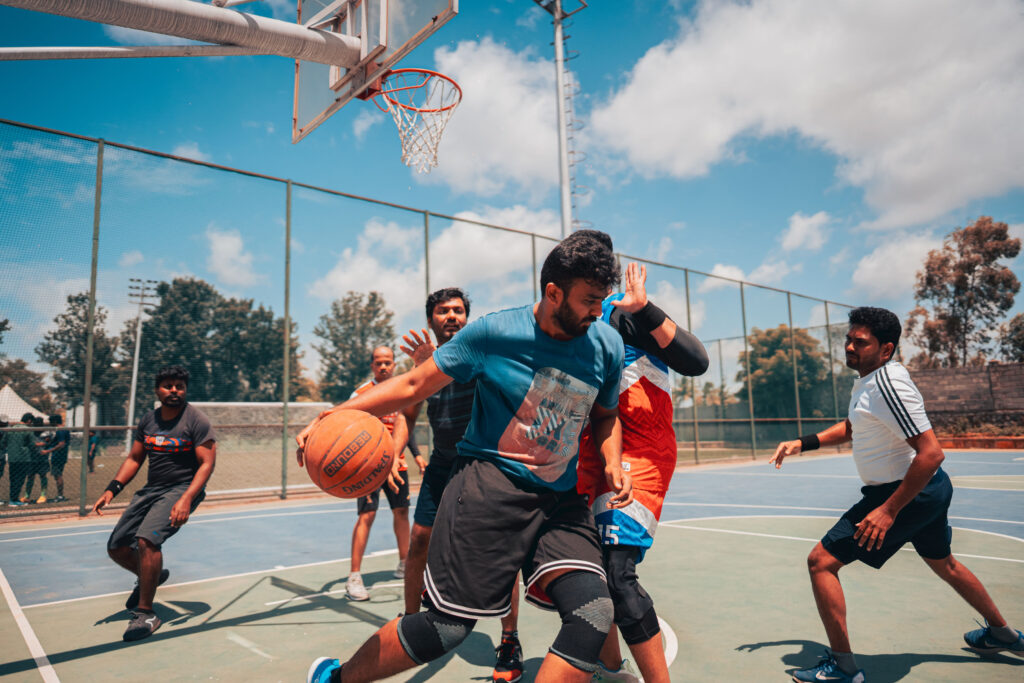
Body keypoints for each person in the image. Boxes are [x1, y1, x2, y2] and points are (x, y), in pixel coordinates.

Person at [298, 231, 633, 683]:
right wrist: (332, 415)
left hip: (559, 499)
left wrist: (611, 459)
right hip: (489, 488)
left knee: (593, 611)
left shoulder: (606, 345)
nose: (598, 310)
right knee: (446, 629)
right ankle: (335, 680)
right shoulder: (495, 333)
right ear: (554, 292)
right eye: (590, 300)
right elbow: (413, 384)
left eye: (602, 300)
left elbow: (606, 416)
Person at [770, 307, 1023, 683]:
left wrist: (888, 510)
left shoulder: (888, 386)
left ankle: (844, 669)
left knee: (821, 562)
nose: (849, 347)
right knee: (945, 564)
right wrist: (803, 443)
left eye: (860, 342)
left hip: (905, 492)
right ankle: (1003, 634)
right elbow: (854, 426)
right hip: (926, 489)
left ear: (886, 349)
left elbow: (931, 453)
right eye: (848, 339)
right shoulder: (869, 381)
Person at [576, 258, 709, 683]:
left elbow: (696, 360)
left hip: (641, 453)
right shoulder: (568, 321)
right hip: (591, 453)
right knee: (591, 572)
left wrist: (645, 309)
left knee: (618, 574)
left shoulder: (623, 313)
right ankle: (610, 669)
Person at [399, 287, 525, 683]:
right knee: (419, 540)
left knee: (500, 552)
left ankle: (509, 639)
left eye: (458, 310)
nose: (451, 316)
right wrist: (392, 453)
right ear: (431, 320)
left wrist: (434, 362)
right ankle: (409, 625)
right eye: (443, 311)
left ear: (467, 318)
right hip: (442, 463)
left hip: (482, 462)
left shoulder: (480, 352)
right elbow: (406, 414)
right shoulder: (424, 364)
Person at [90, 365, 216, 642]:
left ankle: (146, 613)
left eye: (180, 386)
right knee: (117, 547)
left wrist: (186, 498)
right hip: (152, 490)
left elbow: (207, 464)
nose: (174, 390)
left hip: (182, 489)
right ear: (158, 390)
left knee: (147, 540)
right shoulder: (149, 420)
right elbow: (135, 458)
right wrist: (112, 489)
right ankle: (151, 575)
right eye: (168, 386)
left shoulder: (196, 420)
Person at [345, 346, 412, 602]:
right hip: (368, 467)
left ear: (394, 364)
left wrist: (407, 455)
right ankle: (354, 577)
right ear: (372, 366)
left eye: (387, 362)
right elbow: (349, 427)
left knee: (402, 512)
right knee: (367, 515)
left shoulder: (403, 389)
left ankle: (405, 563)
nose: (383, 366)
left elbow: (404, 425)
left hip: (396, 464)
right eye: (378, 363)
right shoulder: (360, 394)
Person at [6, 413, 38, 507]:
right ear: (29, 420)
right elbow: (32, 444)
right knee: (20, 479)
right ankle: (14, 500)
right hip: (23, 458)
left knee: (13, 479)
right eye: (31, 422)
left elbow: (4, 442)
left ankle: (12, 499)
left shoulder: (10, 429)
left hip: (12, 457)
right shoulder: (27, 430)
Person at [40, 414, 70, 503]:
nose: (50, 423)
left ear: (55, 421)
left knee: (58, 476)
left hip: (58, 456)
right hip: (62, 455)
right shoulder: (64, 429)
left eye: (51, 422)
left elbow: (61, 444)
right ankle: (60, 495)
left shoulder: (60, 430)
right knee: (58, 475)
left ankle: (60, 495)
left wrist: (48, 451)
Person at [23, 415, 49, 503]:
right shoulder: (31, 432)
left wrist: (39, 444)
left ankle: (43, 495)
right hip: (31, 458)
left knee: (43, 476)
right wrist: (36, 444)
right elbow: (28, 443)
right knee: (30, 476)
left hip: (42, 458)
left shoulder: (46, 433)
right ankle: (27, 495)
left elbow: (47, 443)